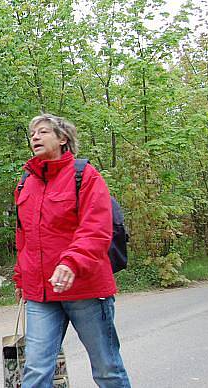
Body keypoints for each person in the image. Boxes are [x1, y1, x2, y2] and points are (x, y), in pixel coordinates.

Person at [14, 114, 131, 387]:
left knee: (107, 369)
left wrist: (71, 263)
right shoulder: (25, 182)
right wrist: (21, 277)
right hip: (41, 293)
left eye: (43, 132)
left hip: (86, 290)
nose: (35, 137)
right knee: (35, 372)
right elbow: (24, 237)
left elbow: (96, 228)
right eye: (32, 134)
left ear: (62, 138)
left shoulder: (85, 176)